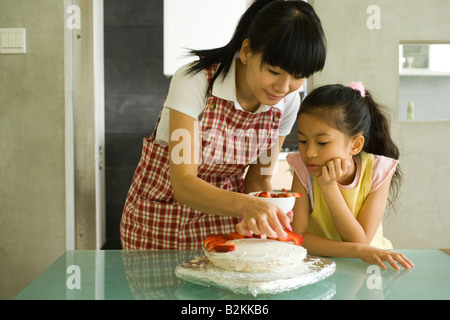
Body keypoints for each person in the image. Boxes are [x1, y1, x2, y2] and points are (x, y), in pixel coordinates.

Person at [120, 0, 327, 250]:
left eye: (298, 76)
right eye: (274, 71)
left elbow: (259, 180)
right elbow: (184, 184)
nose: (283, 88)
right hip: (158, 224)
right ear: (248, 51)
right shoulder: (195, 81)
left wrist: (270, 211)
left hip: (224, 222)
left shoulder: (288, 102)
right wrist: (248, 205)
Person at [285, 82, 414, 270]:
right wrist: (357, 251)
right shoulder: (303, 168)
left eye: (322, 142)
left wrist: (329, 187)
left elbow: (360, 240)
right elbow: (300, 237)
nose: (310, 152)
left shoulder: (378, 170)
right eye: (303, 140)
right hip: (319, 265)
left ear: (355, 145)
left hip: (370, 267)